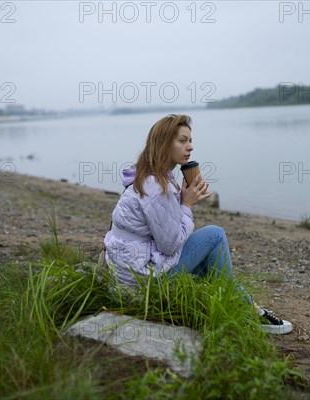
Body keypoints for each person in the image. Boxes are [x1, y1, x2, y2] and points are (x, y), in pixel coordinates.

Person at [103, 114, 292, 334]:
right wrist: (187, 205)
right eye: (182, 141)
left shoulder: (149, 175)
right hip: (141, 283)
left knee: (211, 262)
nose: (190, 147)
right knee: (215, 235)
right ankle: (248, 311)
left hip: (128, 273)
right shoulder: (156, 187)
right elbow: (170, 245)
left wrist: (182, 202)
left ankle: (244, 308)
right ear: (164, 143)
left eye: (190, 141)